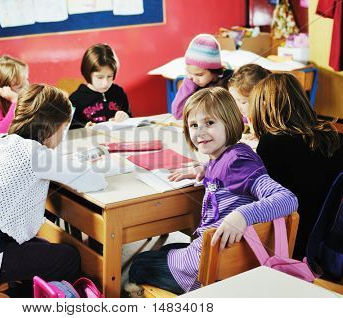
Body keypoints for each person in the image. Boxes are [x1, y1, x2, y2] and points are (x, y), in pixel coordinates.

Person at [0, 84, 107, 297]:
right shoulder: (36, 155)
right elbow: (95, 181)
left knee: (44, 248)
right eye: (62, 130)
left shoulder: (3, 142)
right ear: (49, 128)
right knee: (68, 257)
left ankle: (30, 291)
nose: (62, 137)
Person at [126, 87, 298, 295]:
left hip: (211, 270)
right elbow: (227, 173)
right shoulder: (232, 154)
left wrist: (241, 215)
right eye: (194, 125)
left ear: (230, 121)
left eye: (209, 123)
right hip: (229, 259)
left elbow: (287, 199)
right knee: (166, 250)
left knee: (139, 263)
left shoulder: (237, 162)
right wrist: (204, 169)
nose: (200, 132)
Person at [249, 73, 343, 258]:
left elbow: (257, 198)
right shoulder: (334, 138)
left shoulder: (272, 143)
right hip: (326, 241)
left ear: (264, 107)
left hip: (288, 243)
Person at [171, 34, 233, 120]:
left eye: (199, 75)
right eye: (190, 72)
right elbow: (178, 113)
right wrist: (189, 82)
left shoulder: (230, 82)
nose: (194, 79)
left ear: (213, 70)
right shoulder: (193, 84)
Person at [69, 43, 131, 129]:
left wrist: (126, 117)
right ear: (88, 73)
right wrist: (83, 128)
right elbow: (70, 128)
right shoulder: (75, 100)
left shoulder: (119, 92)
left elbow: (131, 120)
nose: (105, 83)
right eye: (99, 77)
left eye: (109, 76)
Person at [0, 55, 29, 134]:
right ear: (4, 90)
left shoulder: (25, 101)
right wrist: (15, 102)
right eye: (20, 86)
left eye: (27, 80)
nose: (27, 87)